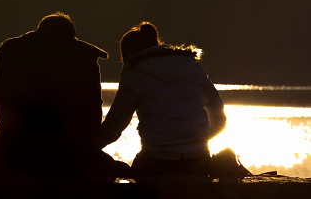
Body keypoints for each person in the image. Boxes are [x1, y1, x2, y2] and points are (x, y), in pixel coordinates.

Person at [0, 11, 128, 179]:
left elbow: (2, 102)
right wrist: (89, 144)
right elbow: (93, 110)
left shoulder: (13, 52)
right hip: (68, 152)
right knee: (105, 168)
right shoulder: (84, 56)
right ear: (71, 37)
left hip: (17, 149)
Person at [95, 21, 227, 179]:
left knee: (120, 173)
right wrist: (194, 140)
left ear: (129, 53)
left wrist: (90, 147)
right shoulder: (193, 66)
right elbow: (220, 118)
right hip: (199, 161)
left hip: (156, 162)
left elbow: (115, 126)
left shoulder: (135, 74)